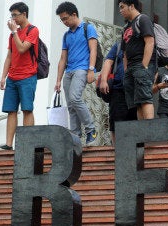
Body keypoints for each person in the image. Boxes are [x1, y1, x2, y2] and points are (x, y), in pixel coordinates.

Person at [0, 2, 39, 151]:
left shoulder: (33, 30)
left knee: (27, 109)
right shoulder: (12, 34)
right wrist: (3, 76)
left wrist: (14, 32)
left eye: (15, 15)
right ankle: (8, 144)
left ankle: (27, 144)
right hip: (12, 77)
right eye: (11, 15)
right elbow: (9, 56)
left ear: (24, 14)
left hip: (28, 76)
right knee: (11, 110)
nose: (13, 18)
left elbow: (21, 48)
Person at [55, 1, 98, 146]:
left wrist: (91, 69)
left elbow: (93, 50)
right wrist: (58, 80)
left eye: (66, 18)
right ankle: (75, 136)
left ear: (74, 14)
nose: (64, 22)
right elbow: (62, 59)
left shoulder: (88, 28)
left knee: (75, 98)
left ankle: (91, 130)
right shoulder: (66, 35)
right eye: (61, 20)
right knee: (71, 106)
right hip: (69, 71)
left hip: (82, 68)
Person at [118, 0, 156, 120]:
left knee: (145, 99)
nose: (120, 11)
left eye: (122, 7)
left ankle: (149, 133)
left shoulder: (143, 19)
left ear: (132, 6)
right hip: (130, 68)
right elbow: (124, 52)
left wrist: (144, 66)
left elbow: (150, 42)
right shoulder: (126, 28)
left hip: (141, 65)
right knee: (137, 103)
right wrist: (126, 70)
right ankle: (141, 134)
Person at [98, 41, 137, 144]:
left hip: (136, 90)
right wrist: (103, 80)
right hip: (118, 89)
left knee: (135, 122)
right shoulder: (119, 45)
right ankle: (116, 151)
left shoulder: (142, 42)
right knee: (116, 122)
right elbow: (108, 61)